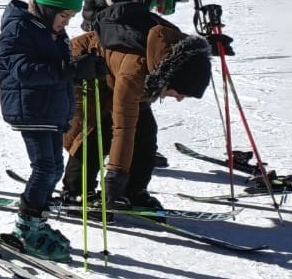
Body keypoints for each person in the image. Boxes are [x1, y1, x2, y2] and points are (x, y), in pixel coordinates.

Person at [64, 13, 212, 211]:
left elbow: (192, 62)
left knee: (145, 132)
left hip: (119, 74)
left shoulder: (172, 56)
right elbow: (122, 129)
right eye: (180, 92)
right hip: (87, 65)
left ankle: (134, 191)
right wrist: (115, 178)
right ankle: (76, 191)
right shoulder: (136, 72)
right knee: (97, 129)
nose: (178, 98)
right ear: (170, 80)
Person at [0, 0, 84, 261]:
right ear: (48, 10)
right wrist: (64, 71)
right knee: (45, 167)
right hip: (30, 107)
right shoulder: (19, 29)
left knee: (55, 168)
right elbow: (22, 70)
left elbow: (62, 63)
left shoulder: (52, 31)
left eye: (69, 19)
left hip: (51, 108)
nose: (66, 23)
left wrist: (81, 66)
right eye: (63, 17)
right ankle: (26, 226)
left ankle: (39, 220)